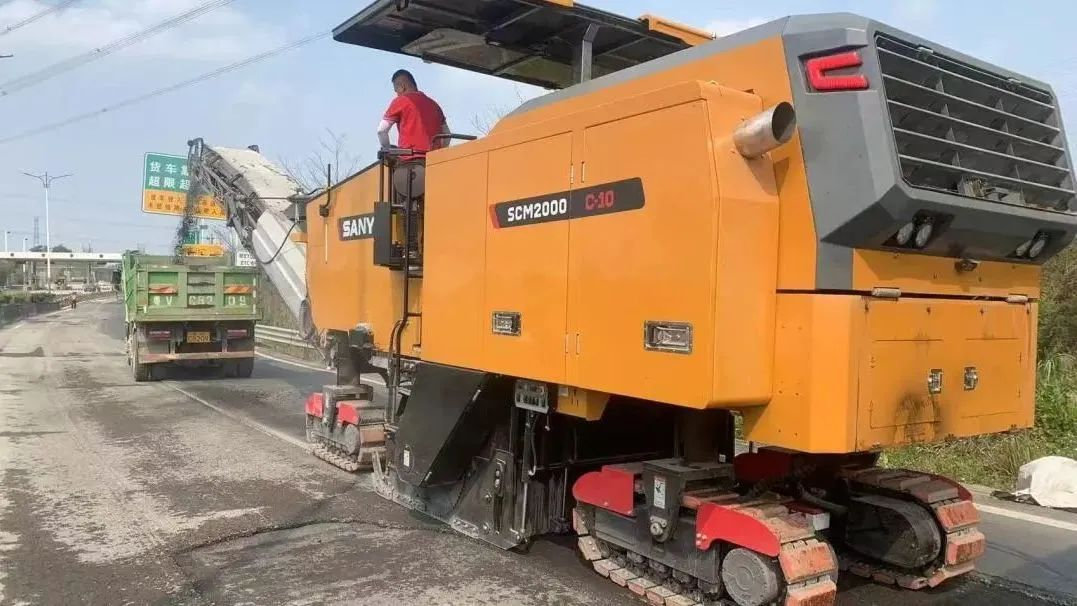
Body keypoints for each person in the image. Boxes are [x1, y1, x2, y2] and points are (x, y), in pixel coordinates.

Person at [377, 69, 449, 200]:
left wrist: (388, 150)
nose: (396, 94)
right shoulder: (434, 105)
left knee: (401, 207)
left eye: (396, 90)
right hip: (434, 167)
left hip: (410, 167)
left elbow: (381, 130)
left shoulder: (401, 100)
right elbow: (447, 134)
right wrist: (439, 153)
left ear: (402, 86)